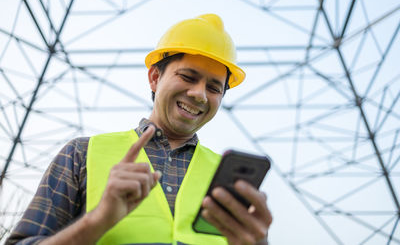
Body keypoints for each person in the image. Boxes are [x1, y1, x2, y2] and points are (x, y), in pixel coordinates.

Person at [6, 14, 272, 245]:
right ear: (155, 78)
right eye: (188, 77)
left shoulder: (230, 180)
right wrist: (97, 221)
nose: (200, 94)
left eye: (214, 88)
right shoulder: (82, 153)